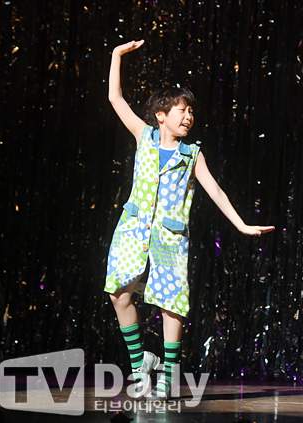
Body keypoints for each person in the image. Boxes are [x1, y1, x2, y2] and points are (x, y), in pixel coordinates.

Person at [104, 39, 275, 400]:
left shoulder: (191, 154)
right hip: (132, 230)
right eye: (181, 110)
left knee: (172, 303)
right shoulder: (144, 136)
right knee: (119, 293)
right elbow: (115, 99)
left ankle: (168, 374)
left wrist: (241, 224)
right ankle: (139, 363)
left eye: (191, 112)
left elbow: (216, 191)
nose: (188, 117)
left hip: (169, 237)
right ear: (161, 115)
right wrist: (117, 56)